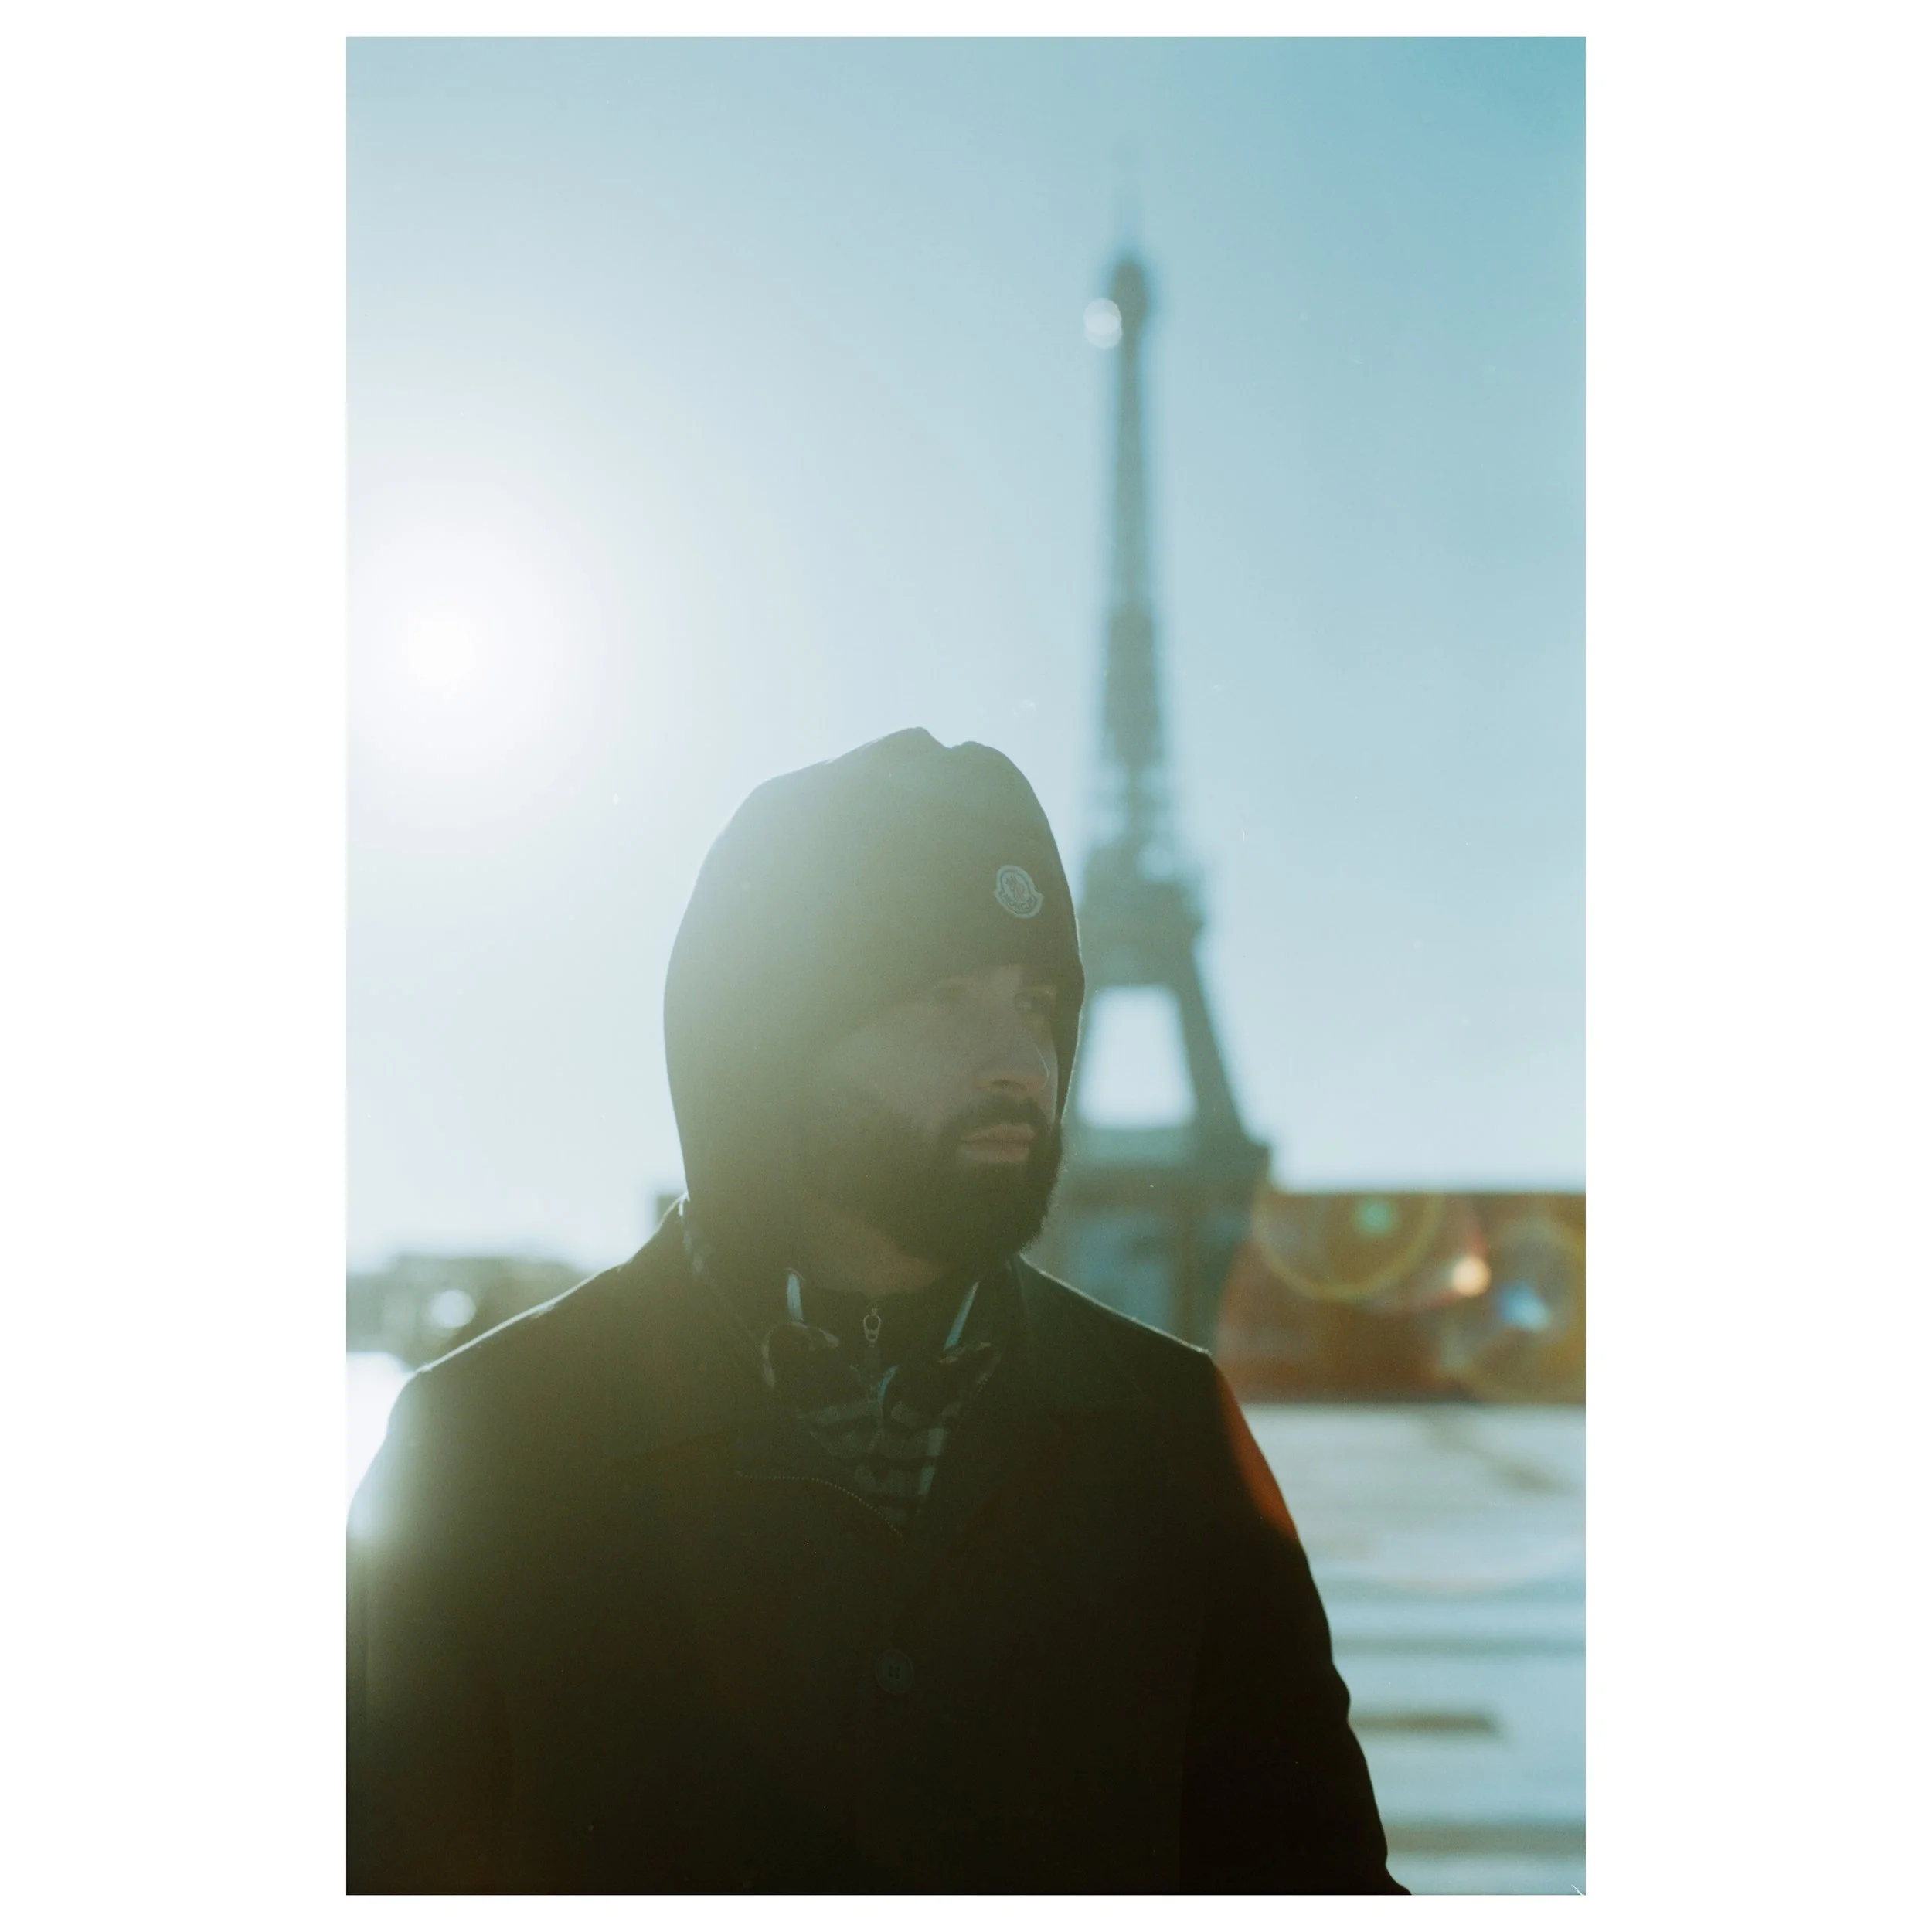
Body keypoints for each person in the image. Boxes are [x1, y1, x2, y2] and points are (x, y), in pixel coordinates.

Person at [348, 728, 1403, 1894]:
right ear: (773, 1039)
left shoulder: (1178, 1433)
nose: (1022, 1061)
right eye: (947, 998)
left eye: (1039, 1000)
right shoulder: (485, 1444)